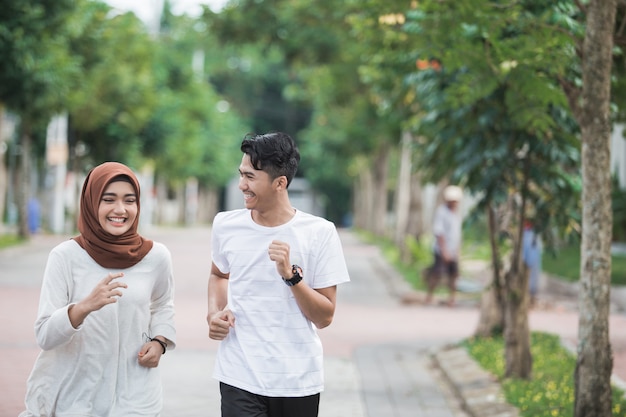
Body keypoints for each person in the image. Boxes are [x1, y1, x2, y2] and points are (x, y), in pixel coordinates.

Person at [207, 132, 350, 417]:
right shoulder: (226, 225)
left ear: (280, 183)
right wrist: (214, 312)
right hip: (239, 373)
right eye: (241, 174)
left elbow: (325, 317)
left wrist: (292, 277)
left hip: (298, 380)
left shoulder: (319, 233)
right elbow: (219, 275)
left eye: (250, 177)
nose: (241, 185)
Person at [20, 162, 176, 417]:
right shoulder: (65, 256)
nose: (120, 209)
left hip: (135, 396)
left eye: (129, 200)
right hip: (75, 398)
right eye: (109, 199)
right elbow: (45, 336)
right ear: (92, 203)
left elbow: (162, 304)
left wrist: (160, 341)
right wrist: (82, 308)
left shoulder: (156, 256)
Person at [424, 185, 463, 306]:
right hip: (441, 249)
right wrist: (444, 250)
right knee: (437, 273)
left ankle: (452, 298)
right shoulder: (442, 211)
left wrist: (456, 250)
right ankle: (429, 296)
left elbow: (457, 234)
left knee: (454, 274)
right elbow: (439, 232)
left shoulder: (456, 213)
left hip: (453, 249)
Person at [522, 219, 542, 306]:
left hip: (533, 257)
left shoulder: (535, 233)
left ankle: (532, 295)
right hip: (524, 258)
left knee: (534, 275)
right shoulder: (522, 233)